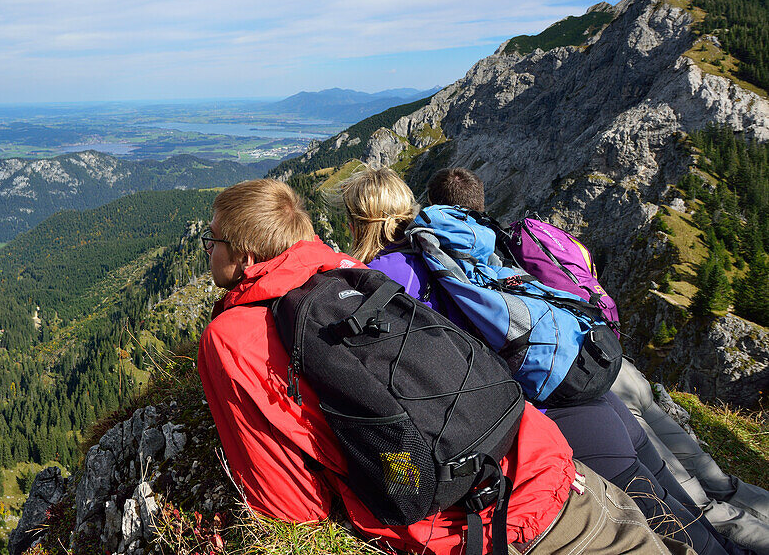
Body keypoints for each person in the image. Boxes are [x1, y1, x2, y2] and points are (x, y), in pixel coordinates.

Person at [197, 177, 692, 555]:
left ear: (242, 257)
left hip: (505, 531)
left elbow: (288, 504)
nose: (208, 249)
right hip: (557, 468)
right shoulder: (360, 277)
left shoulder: (232, 338)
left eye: (212, 240)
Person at [340, 166, 735, 555]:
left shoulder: (384, 278)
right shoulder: (456, 243)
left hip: (557, 417)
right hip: (585, 387)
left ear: (358, 222)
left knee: (669, 530)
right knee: (687, 516)